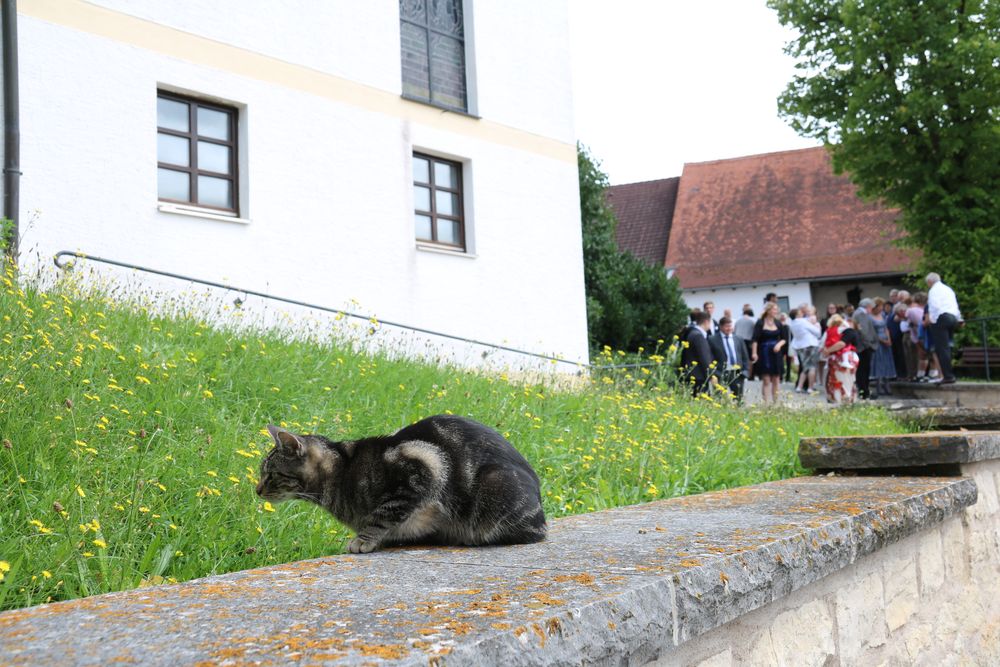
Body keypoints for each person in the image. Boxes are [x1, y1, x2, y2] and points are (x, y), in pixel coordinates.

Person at [925, 273, 962, 384]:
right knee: (947, 347)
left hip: (941, 318)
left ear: (930, 281)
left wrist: (933, 319)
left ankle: (948, 376)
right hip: (952, 317)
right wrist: (959, 318)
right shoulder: (948, 289)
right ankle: (948, 374)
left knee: (941, 348)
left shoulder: (933, 291)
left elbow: (934, 306)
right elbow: (954, 305)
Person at [751, 302, 789, 404]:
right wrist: (754, 353)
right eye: (774, 309)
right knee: (766, 379)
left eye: (776, 309)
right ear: (768, 310)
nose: (776, 311)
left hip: (776, 354)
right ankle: (766, 403)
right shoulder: (760, 322)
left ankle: (776, 403)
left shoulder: (778, 323)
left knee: (776, 379)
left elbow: (784, 339)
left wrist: (779, 345)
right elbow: (755, 339)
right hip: (764, 353)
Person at [709, 316, 751, 402]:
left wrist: (745, 371)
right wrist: (714, 372)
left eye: (730, 326)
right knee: (719, 397)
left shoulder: (738, 339)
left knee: (738, 398)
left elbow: (744, 356)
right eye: (726, 326)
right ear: (721, 327)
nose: (729, 328)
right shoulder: (712, 339)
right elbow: (710, 357)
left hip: (737, 373)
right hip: (720, 372)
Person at [822, 314, 859, 405]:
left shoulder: (847, 332)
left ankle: (844, 403)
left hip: (841, 361)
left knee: (843, 382)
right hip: (840, 361)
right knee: (843, 382)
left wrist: (827, 351)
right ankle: (844, 402)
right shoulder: (842, 331)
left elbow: (841, 344)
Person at [680, 311, 717, 396]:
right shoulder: (698, 336)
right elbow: (704, 357)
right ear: (706, 322)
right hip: (698, 375)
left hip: (693, 374)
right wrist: (710, 374)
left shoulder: (691, 332)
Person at [790, 303, 821, 394]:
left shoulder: (792, 323)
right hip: (810, 345)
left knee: (805, 367)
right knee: (812, 367)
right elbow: (817, 332)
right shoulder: (803, 321)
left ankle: (799, 387)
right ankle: (810, 388)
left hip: (800, 346)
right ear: (797, 315)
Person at [852, 298, 879, 399]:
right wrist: (869, 344)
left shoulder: (859, 313)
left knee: (863, 370)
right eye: (871, 307)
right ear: (868, 306)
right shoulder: (860, 314)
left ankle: (864, 391)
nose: (872, 309)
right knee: (863, 370)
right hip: (863, 347)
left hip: (863, 346)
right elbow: (864, 331)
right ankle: (864, 392)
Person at [869, 297, 896, 396]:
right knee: (879, 362)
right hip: (878, 342)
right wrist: (882, 341)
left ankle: (887, 383)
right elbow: (871, 332)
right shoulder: (870, 317)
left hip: (885, 341)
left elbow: (886, 328)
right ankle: (879, 384)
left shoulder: (882, 315)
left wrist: (888, 339)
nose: (882, 308)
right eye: (880, 306)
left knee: (886, 362)